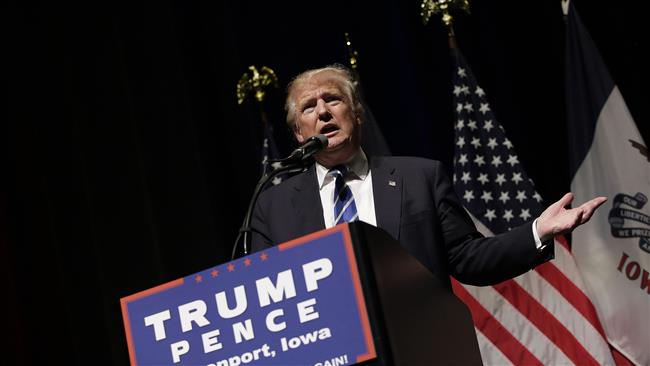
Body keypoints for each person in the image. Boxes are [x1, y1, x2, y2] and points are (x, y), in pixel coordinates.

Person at [250, 64, 606, 287]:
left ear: (357, 115)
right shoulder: (273, 205)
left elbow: (468, 259)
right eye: (310, 107)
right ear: (299, 133)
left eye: (333, 99)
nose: (324, 111)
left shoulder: (419, 177)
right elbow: (265, 292)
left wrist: (537, 231)